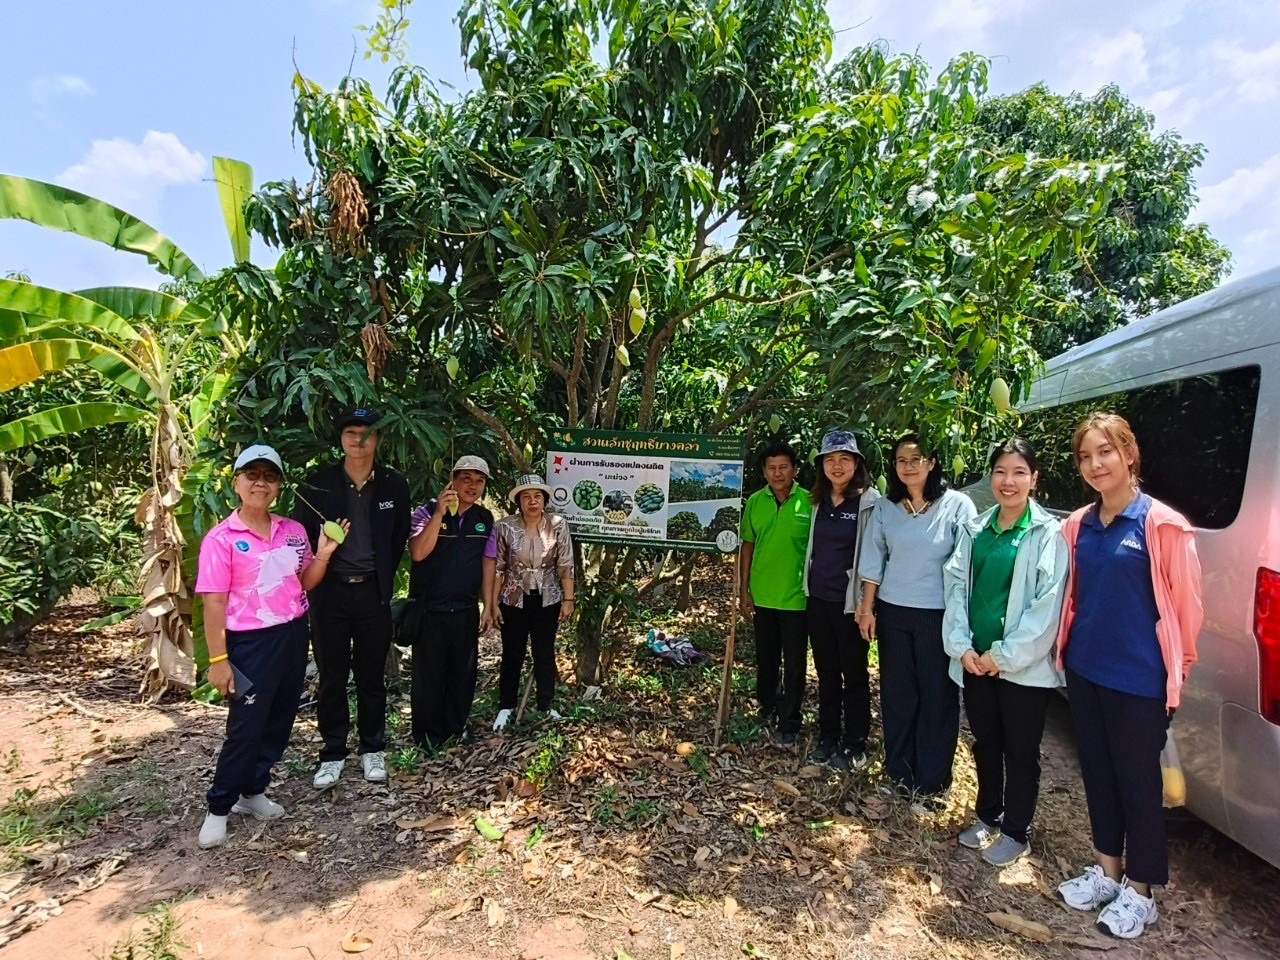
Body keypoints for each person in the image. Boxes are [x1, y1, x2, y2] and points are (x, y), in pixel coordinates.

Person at [1053, 413, 1202, 940]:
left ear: (1129, 454)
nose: (1096, 464)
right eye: (1086, 456)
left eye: (1105, 452)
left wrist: (1175, 675)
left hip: (1140, 680)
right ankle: (1107, 871)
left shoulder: (1162, 525)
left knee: (1138, 784)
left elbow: (1187, 611)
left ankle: (1141, 891)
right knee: (1097, 774)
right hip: (1086, 670)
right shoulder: (1077, 525)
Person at [196, 445, 344, 849]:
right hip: (248, 643)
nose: (261, 483)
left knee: (280, 718)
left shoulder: (292, 531)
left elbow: (306, 581)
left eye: (270, 476)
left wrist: (326, 554)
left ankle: (253, 791)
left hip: (293, 633)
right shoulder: (222, 538)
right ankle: (219, 807)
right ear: (237, 482)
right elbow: (213, 601)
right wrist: (219, 659)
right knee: (246, 727)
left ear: (278, 484)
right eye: (252, 475)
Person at [942, 439, 1068, 866]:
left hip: (1021, 670)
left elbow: (1046, 608)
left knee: (1020, 750)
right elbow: (956, 588)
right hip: (976, 661)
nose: (1008, 481)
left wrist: (1003, 655)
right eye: (1000, 471)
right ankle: (987, 816)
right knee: (986, 742)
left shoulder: (1047, 534)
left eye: (1018, 472)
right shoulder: (977, 529)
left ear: (1033, 479)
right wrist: (962, 647)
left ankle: (1016, 830)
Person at [856, 432, 976, 808]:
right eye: (901, 461)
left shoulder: (957, 505)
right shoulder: (887, 508)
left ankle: (932, 778)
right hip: (893, 612)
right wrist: (866, 608)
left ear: (932, 462)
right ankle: (900, 771)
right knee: (898, 692)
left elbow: (967, 566)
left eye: (916, 459)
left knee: (937, 695)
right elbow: (874, 560)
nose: (908, 466)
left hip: (937, 615)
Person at [294, 408, 411, 790]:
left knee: (371, 676)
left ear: (377, 440)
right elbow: (303, 544)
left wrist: (380, 581)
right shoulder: (319, 485)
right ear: (341, 438)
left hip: (372, 594)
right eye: (350, 432)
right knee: (332, 675)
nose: (357, 439)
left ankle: (372, 749)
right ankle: (332, 754)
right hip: (330, 594)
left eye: (365, 433)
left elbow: (396, 542)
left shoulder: (394, 486)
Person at [802, 431, 881, 768]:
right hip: (818, 599)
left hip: (851, 605)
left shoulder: (869, 502)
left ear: (856, 464)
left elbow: (876, 555)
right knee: (826, 672)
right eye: (830, 460)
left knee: (854, 673)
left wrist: (867, 605)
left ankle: (855, 742)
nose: (837, 466)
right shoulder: (816, 501)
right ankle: (828, 735)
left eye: (844, 459)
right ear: (821, 465)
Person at [408, 455, 497, 749]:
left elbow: (487, 564)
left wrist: (488, 605)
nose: (472, 486)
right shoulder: (426, 511)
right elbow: (419, 553)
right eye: (466, 478)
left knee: (463, 674)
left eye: (479, 480)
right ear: (452, 479)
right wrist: (439, 515)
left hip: (465, 609)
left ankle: (456, 727)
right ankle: (426, 735)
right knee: (428, 675)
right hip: (430, 609)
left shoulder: (484, 519)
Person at [739, 442, 812, 746]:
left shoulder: (810, 502)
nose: (778, 473)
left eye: (783, 467)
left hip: (798, 598)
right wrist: (744, 590)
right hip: (763, 595)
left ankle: (790, 720)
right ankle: (768, 706)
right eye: (771, 468)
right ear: (764, 472)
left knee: (795, 662)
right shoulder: (756, 502)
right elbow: (747, 546)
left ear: (794, 469)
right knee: (766, 658)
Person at [490, 474, 575, 730]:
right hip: (512, 599)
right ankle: (506, 706)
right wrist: (492, 603)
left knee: (544, 652)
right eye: (526, 496)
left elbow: (565, 564)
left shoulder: (557, 524)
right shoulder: (503, 527)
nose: (532, 501)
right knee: (512, 652)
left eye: (537, 496)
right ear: (518, 501)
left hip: (547, 598)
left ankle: (546, 705)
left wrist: (568, 599)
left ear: (545, 500)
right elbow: (498, 567)